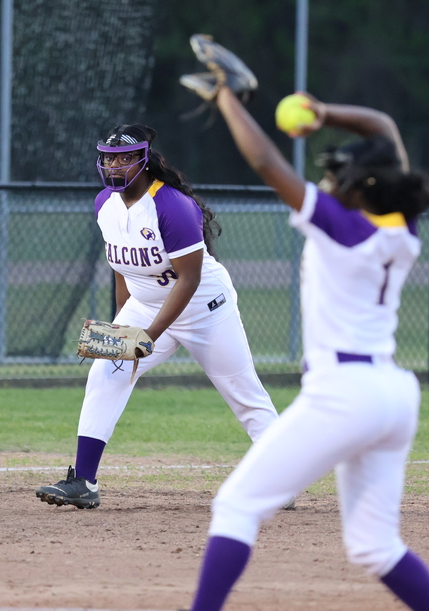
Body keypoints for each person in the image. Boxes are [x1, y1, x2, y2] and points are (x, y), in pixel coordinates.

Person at [184, 85, 429, 611]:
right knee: (375, 545)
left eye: (339, 176)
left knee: (237, 505)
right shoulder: (401, 225)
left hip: (344, 392)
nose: (329, 181)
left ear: (361, 186)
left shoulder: (344, 226)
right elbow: (383, 128)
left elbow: (265, 161)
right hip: (392, 394)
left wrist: (225, 98)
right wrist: (324, 114)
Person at [36, 123, 281, 509]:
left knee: (243, 394)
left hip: (203, 307)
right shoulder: (105, 204)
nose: (115, 165)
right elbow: (121, 267)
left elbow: (190, 277)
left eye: (125, 158)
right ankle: (84, 481)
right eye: (109, 157)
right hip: (146, 303)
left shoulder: (171, 207)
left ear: (144, 160)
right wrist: (122, 325)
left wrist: (148, 335)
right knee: (104, 374)